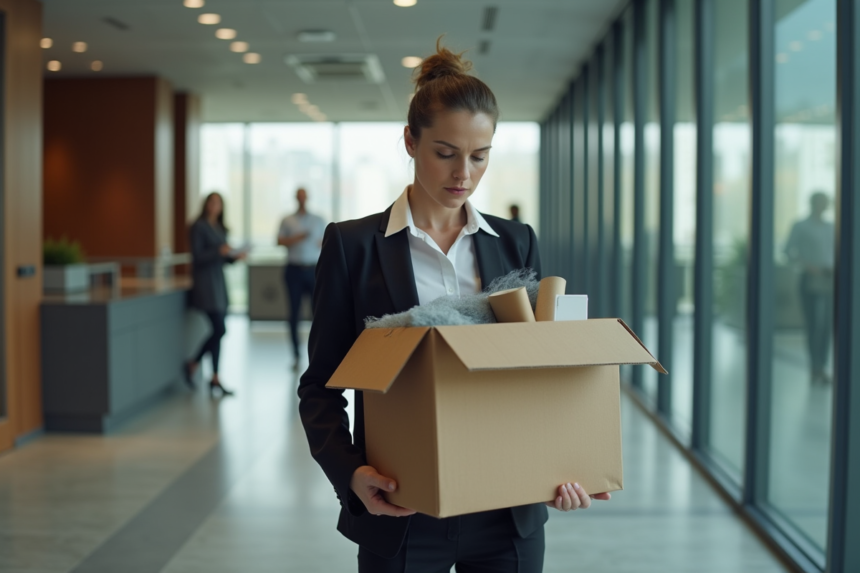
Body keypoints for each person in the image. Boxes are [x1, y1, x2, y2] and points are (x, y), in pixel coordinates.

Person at [297, 42, 609, 573]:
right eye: (445, 152)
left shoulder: (516, 242)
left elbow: (540, 373)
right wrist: (351, 473)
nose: (463, 172)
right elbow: (320, 387)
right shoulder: (353, 246)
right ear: (410, 142)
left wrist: (563, 463)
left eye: (480, 155)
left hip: (507, 513)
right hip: (400, 510)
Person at [185, 192, 245, 396]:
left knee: (218, 334)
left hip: (219, 283)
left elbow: (224, 258)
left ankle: (215, 378)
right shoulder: (198, 226)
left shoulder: (220, 228)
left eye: (218, 203)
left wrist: (235, 257)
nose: (215, 206)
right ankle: (193, 362)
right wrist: (219, 251)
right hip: (205, 284)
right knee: (220, 329)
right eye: (212, 202)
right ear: (206, 205)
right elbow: (198, 256)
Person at [785, 191, 835, 385]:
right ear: (813, 203)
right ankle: (814, 367)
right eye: (821, 202)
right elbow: (788, 252)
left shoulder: (831, 227)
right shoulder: (800, 226)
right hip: (809, 279)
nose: (824, 206)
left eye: (826, 202)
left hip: (829, 280)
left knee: (826, 327)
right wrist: (808, 266)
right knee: (814, 325)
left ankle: (822, 366)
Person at [277, 187, 326, 365]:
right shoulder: (287, 220)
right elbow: (279, 241)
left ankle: (318, 353)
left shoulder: (318, 219)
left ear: (308, 198)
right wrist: (297, 238)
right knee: (294, 313)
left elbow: (327, 242)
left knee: (318, 313)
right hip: (294, 271)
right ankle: (296, 354)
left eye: (304, 196)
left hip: (313, 270)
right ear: (295, 198)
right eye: (299, 197)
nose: (302, 199)